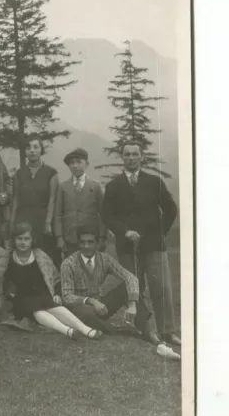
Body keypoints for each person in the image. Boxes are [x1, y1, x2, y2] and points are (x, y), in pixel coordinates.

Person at [102, 142, 180, 346]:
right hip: (127, 247)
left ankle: (168, 331)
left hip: (154, 246)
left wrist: (159, 233)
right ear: (122, 158)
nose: (131, 157)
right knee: (134, 288)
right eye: (127, 154)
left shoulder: (155, 182)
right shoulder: (113, 186)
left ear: (141, 157)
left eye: (135, 154)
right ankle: (147, 330)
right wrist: (124, 231)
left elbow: (171, 209)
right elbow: (107, 216)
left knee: (161, 287)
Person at [4, 222, 101, 340]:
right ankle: (68, 331)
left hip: (42, 295)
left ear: (32, 240)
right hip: (22, 299)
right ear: (14, 240)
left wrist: (56, 293)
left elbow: (55, 278)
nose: (23, 242)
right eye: (19, 239)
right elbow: (4, 281)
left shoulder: (40, 256)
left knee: (55, 307)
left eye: (26, 239)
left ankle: (85, 329)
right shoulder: (9, 258)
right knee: (36, 310)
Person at [61, 227, 153, 337]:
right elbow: (67, 297)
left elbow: (130, 277)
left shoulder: (104, 259)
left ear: (97, 243)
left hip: (101, 307)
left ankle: (147, 331)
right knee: (87, 313)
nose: (86, 246)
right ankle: (121, 330)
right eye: (82, 242)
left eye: (90, 242)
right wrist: (91, 301)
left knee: (125, 289)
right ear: (78, 244)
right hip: (79, 309)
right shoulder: (68, 264)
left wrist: (132, 305)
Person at [10, 134, 58, 260]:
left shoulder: (51, 173)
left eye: (35, 147)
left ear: (41, 150)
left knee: (43, 255)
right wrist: (12, 222)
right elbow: (16, 199)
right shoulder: (19, 174)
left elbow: (52, 199)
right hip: (23, 219)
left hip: (42, 220)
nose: (32, 150)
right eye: (28, 148)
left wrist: (48, 222)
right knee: (24, 255)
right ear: (25, 152)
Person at [54, 148, 106, 257]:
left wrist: (102, 238)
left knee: (91, 268)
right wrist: (59, 237)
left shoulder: (95, 186)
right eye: (71, 163)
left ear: (86, 164)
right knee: (72, 266)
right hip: (70, 238)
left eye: (79, 162)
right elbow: (58, 214)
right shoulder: (63, 187)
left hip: (91, 237)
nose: (75, 165)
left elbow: (103, 214)